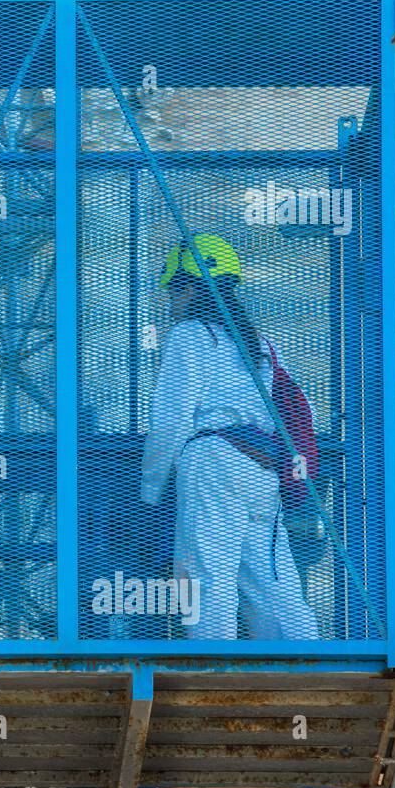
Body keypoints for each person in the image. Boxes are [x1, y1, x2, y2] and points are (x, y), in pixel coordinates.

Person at [140, 234, 318, 641]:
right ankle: (304, 660)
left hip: (212, 460)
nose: (170, 303)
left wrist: (151, 489)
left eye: (173, 291)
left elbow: (171, 420)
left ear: (188, 288)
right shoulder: (259, 344)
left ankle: (209, 670)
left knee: (206, 575)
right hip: (262, 468)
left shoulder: (190, 336)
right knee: (271, 579)